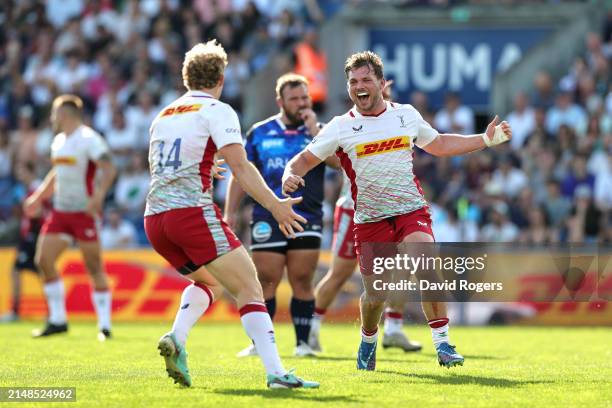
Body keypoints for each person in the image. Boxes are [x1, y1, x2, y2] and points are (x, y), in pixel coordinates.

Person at [282, 51, 512, 371]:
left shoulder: (405, 115)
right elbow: (304, 159)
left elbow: (440, 144)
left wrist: (484, 140)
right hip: (369, 220)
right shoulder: (340, 127)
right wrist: (289, 174)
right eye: (353, 82)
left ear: (381, 83)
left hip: (409, 210)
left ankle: (443, 343)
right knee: (376, 295)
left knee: (427, 265)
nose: (359, 86)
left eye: (365, 80)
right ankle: (368, 338)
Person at [144, 40, 318, 389]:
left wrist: (206, 167)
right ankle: (276, 374)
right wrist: (275, 205)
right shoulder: (218, 110)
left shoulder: (163, 115)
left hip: (155, 219)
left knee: (209, 282)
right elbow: (241, 167)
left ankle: (177, 338)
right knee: (251, 288)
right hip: (190, 214)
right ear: (221, 78)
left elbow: (169, 164)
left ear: (185, 77)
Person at [225, 73, 337, 358]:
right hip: (266, 213)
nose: (301, 104)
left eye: (305, 98)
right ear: (280, 102)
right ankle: (260, 343)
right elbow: (240, 173)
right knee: (266, 279)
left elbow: (339, 164)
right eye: (294, 99)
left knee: (301, 279)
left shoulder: (322, 131)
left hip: (306, 214)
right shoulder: (259, 133)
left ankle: (302, 344)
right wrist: (230, 212)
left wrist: (316, 133)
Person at [309, 81, 422, 354]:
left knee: (404, 267)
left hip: (394, 209)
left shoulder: (400, 121)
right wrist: (315, 132)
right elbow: (333, 159)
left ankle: (394, 329)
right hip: (355, 209)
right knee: (340, 274)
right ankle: (309, 328)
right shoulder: (349, 126)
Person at [24, 94, 117, 341]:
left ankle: (105, 326)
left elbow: (109, 167)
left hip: (84, 212)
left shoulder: (88, 139)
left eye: (55, 112)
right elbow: (57, 173)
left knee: (93, 266)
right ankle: (57, 320)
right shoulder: (59, 141)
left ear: (65, 114)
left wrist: (98, 197)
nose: (53, 117)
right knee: (44, 260)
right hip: (60, 211)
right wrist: (39, 197)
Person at [0, 162, 44, 323]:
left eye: (22, 171)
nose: (19, 174)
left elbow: (40, 211)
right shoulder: (27, 189)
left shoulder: (37, 188)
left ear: (29, 171)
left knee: (20, 271)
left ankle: (15, 311)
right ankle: (53, 311)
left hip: (35, 236)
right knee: (38, 273)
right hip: (30, 236)